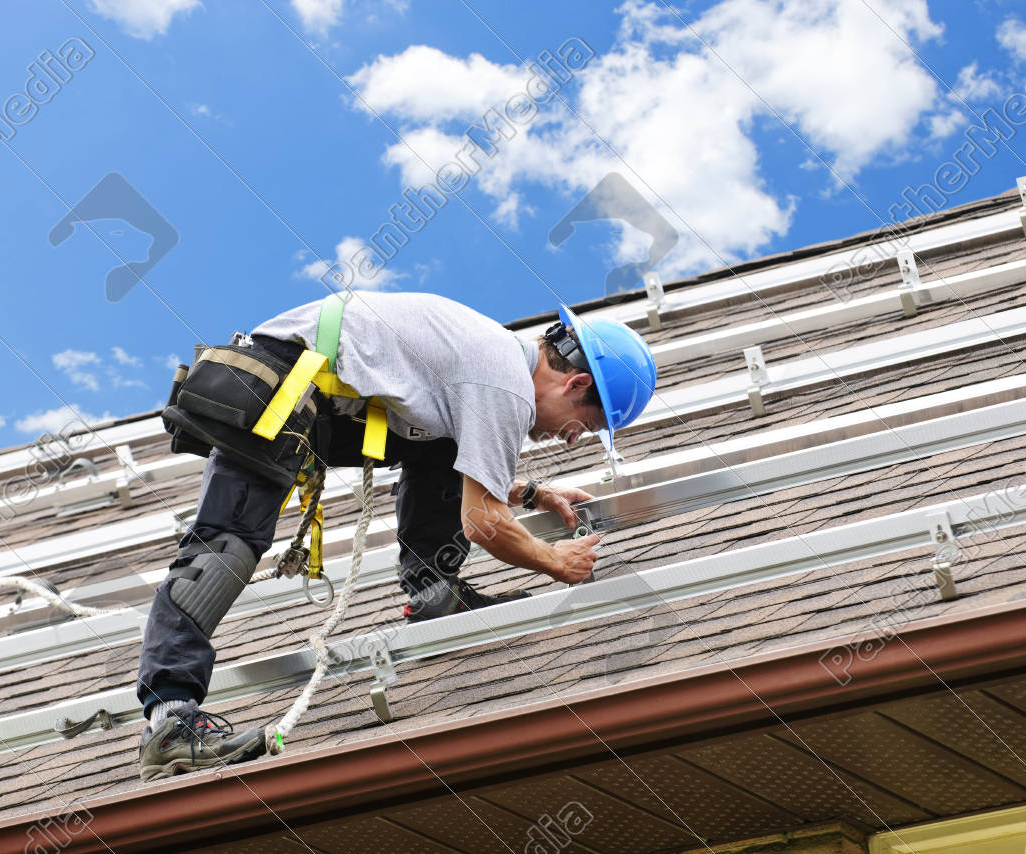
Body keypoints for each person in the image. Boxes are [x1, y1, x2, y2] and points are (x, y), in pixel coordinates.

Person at [136, 291, 657, 781]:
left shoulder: (495, 360)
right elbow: (482, 522)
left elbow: (467, 463)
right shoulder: (505, 384)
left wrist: (531, 493)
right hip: (278, 388)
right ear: (576, 385)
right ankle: (169, 720)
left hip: (312, 394)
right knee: (224, 549)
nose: (566, 440)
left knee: (441, 447)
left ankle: (435, 592)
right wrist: (554, 562)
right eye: (581, 428)